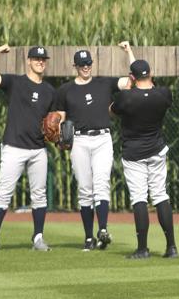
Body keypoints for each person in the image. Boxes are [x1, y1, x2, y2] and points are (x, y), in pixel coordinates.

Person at [53, 40, 135, 251]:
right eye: (82, 64)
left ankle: (103, 230)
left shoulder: (103, 83)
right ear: (75, 67)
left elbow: (132, 80)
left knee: (101, 184)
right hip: (79, 140)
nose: (86, 67)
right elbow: (59, 118)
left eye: (88, 63)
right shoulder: (65, 90)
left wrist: (129, 52)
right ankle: (89, 237)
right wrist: (56, 134)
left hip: (102, 139)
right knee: (84, 189)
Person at [0, 43, 55, 253]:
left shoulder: (49, 91)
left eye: (43, 59)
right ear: (29, 61)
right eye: (36, 59)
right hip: (13, 147)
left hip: (38, 149)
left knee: (39, 195)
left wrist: (57, 133)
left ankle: (38, 238)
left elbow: (55, 120)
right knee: (3, 193)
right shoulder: (15, 82)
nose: (40, 62)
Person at [110, 57, 178, 259]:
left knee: (139, 198)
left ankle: (142, 249)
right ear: (151, 74)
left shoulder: (126, 98)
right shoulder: (164, 94)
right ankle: (171, 247)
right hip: (157, 150)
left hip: (134, 152)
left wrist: (128, 87)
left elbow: (112, 111)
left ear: (132, 77)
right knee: (160, 195)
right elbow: (155, 92)